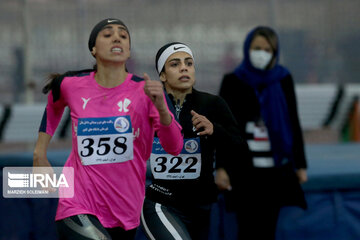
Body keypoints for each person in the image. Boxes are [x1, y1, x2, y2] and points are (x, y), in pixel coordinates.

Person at [32, 18, 183, 240]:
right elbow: (54, 101)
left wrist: (161, 108)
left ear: (129, 51)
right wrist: (39, 153)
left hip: (125, 209)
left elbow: (175, 147)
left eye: (123, 36)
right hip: (77, 202)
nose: (116, 38)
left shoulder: (148, 91)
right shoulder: (71, 85)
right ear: (93, 48)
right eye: (107, 34)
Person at [140, 42, 247, 240]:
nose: (184, 68)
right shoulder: (150, 106)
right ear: (162, 75)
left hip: (202, 207)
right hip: (161, 203)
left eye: (189, 63)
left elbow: (240, 148)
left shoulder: (212, 104)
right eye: (174, 64)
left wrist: (215, 130)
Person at [219, 26, 308, 240]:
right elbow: (222, 128)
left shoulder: (283, 79)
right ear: (247, 48)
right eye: (256, 47)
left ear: (274, 52)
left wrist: (301, 163)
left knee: (268, 230)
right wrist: (221, 167)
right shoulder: (232, 81)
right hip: (244, 171)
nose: (261, 53)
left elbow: (293, 121)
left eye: (267, 49)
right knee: (246, 230)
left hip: (275, 170)